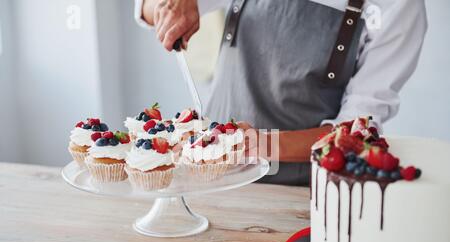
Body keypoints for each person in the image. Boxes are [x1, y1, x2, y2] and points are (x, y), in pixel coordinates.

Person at [134, 0, 427, 186]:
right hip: (210, 180)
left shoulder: (399, 7)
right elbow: (146, 9)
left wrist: (258, 145)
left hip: (299, 196)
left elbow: (357, 132)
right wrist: (170, 7)